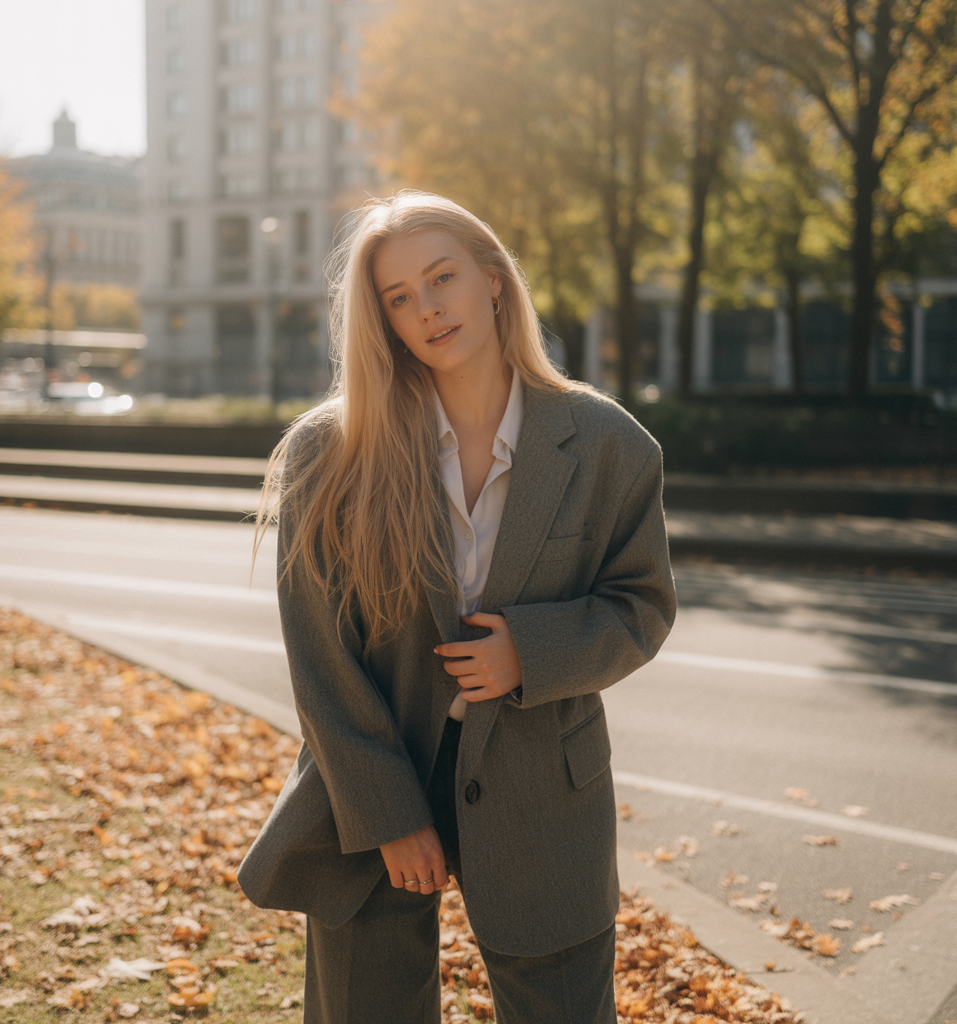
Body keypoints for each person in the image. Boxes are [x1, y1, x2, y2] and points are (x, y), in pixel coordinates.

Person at [238, 191, 676, 1024]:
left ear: (494, 281)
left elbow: (641, 606)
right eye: (398, 298)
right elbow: (321, 659)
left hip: (546, 787)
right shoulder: (331, 453)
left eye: (442, 278)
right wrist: (389, 815)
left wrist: (531, 652)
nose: (427, 308)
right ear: (384, 322)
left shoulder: (611, 444)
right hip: (373, 781)